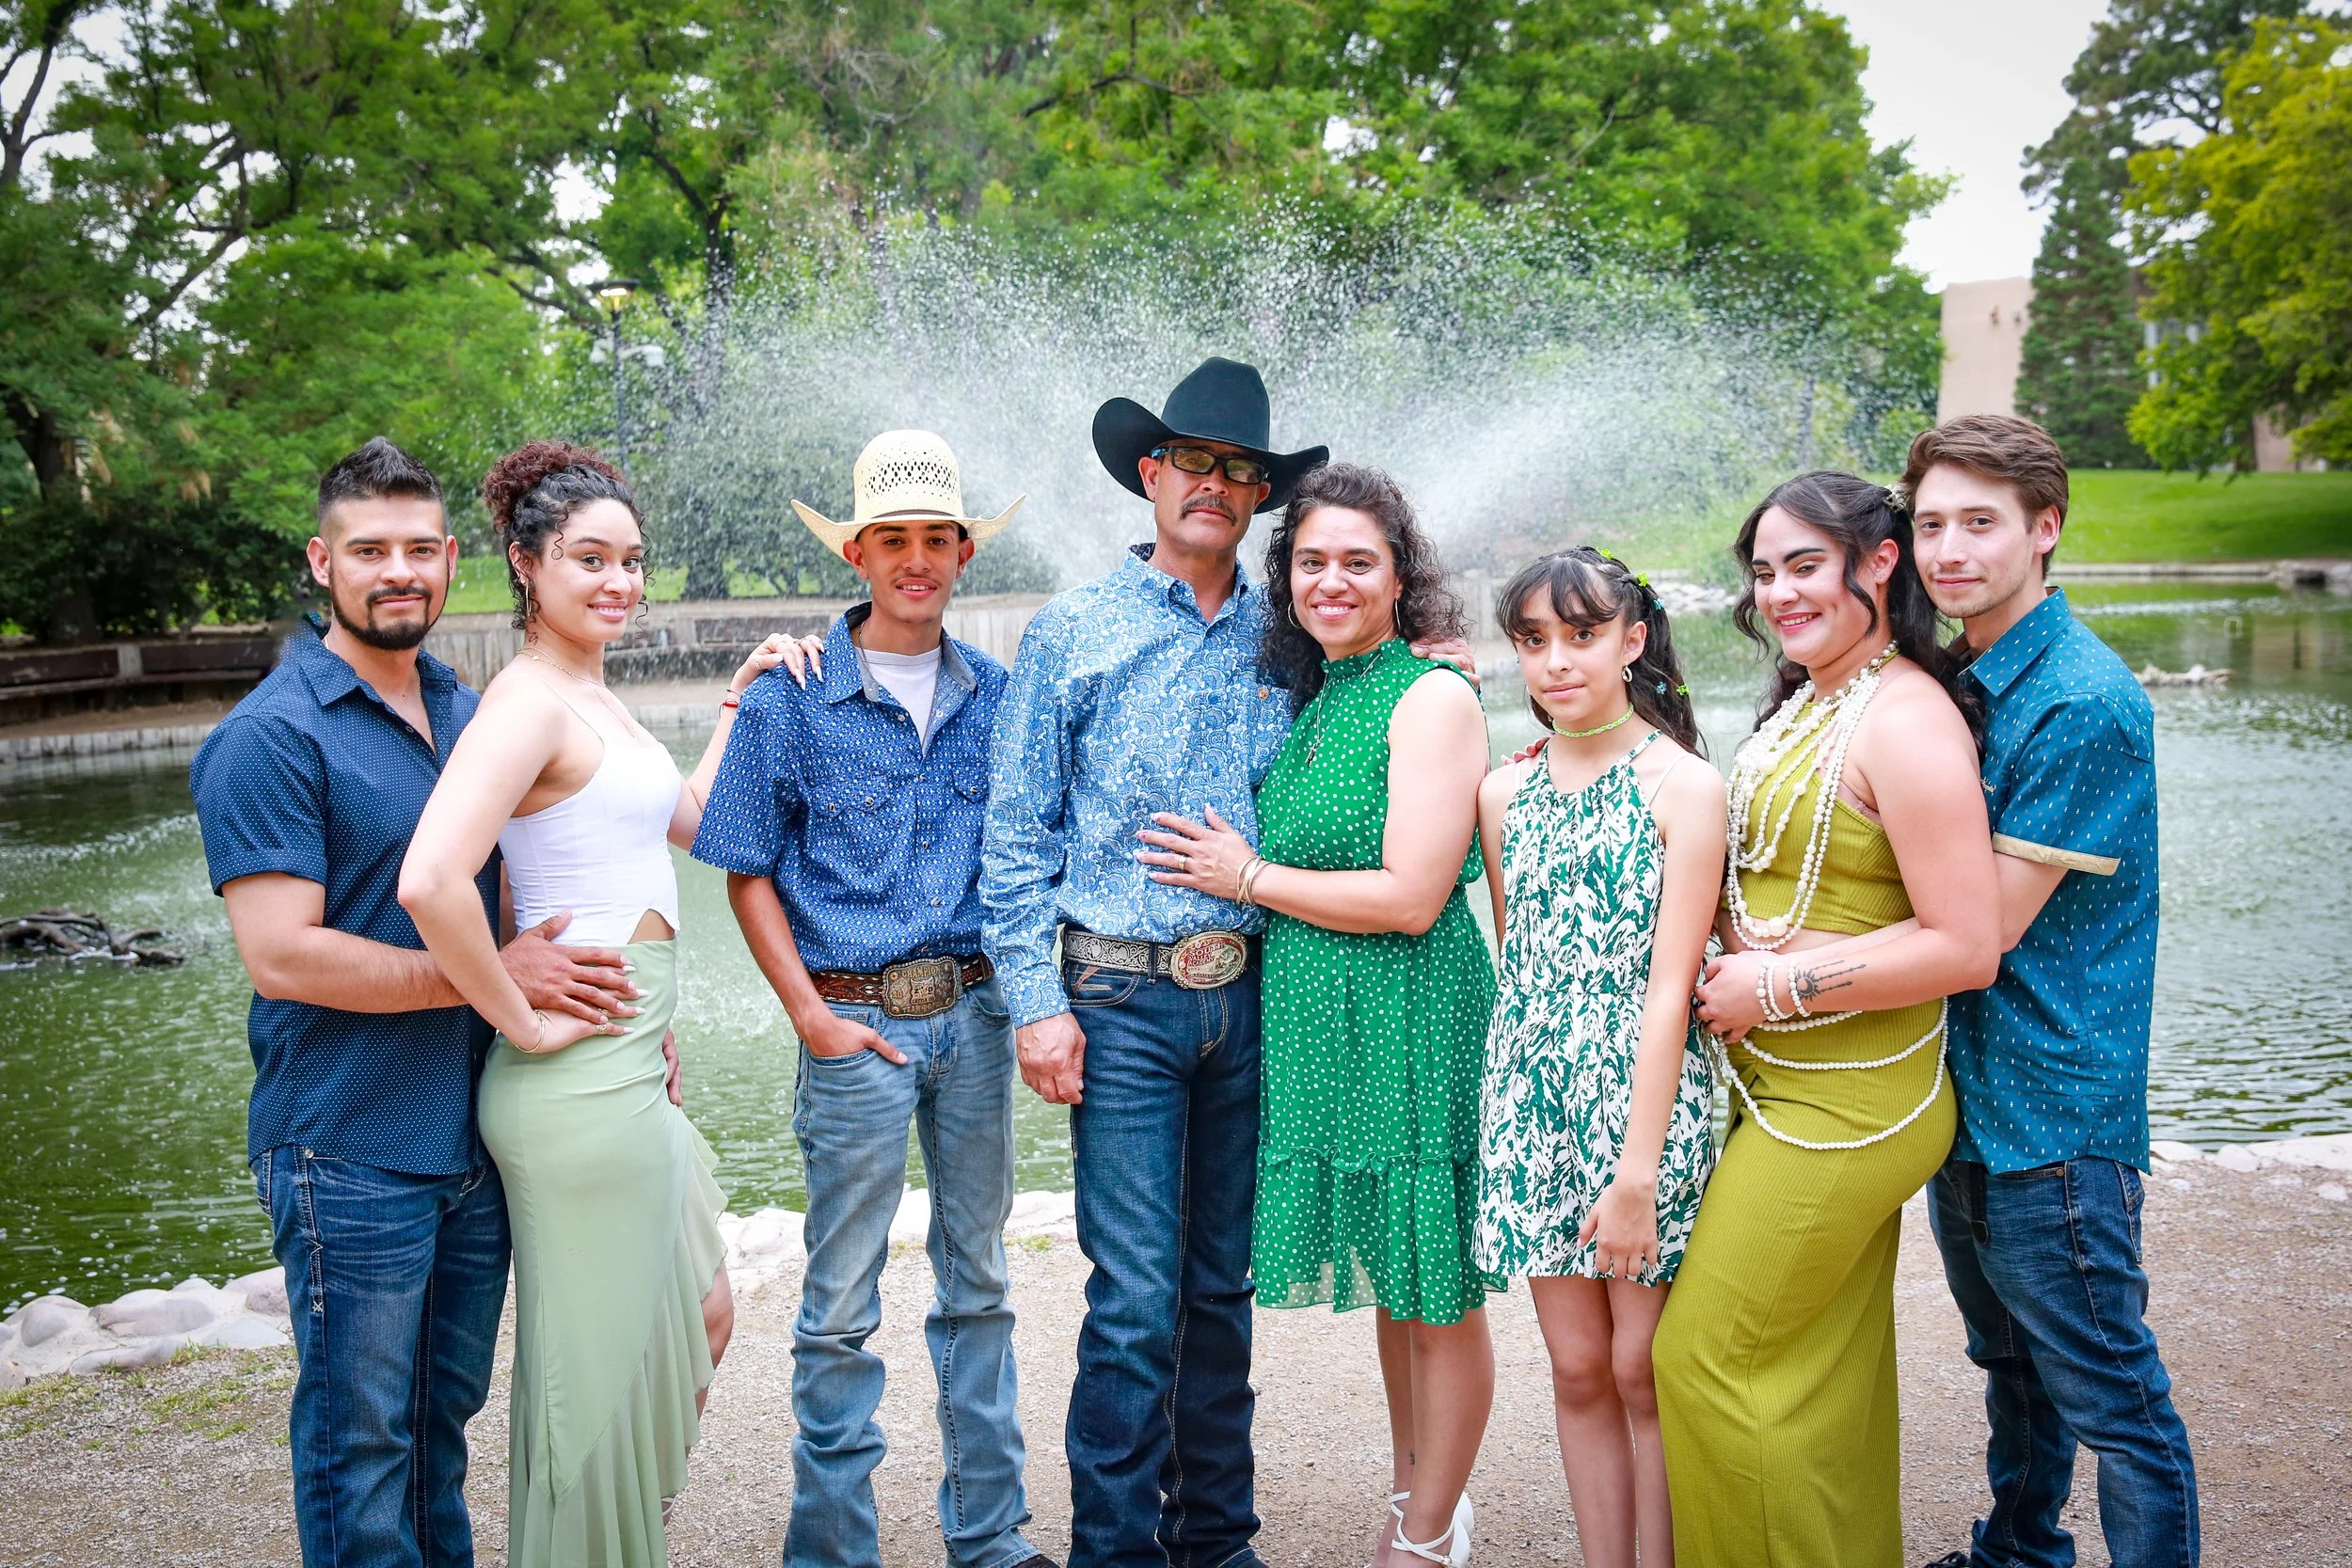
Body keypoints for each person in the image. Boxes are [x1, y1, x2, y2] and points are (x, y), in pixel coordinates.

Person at [981, 358, 1476, 1568]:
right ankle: (1115, 1550)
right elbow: (1015, 838)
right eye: (1192, 461)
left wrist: (1447, 676)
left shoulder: (1292, 636)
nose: (1213, 483)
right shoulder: (1072, 630)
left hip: (1255, 997)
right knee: (1134, 1296)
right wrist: (1037, 1005)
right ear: (1150, 474)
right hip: (1119, 994)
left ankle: (1216, 1540)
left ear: (1260, 496)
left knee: (1218, 1288)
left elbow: (1384, 731)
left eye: (1238, 469)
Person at [193, 437, 645, 1568]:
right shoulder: (271, 735)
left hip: (473, 1135)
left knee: (440, 1431)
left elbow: (545, 885)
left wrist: (617, 1028)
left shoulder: (471, 707)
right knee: (361, 1444)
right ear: (322, 562)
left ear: (450, 558)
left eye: (416, 548)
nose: (396, 570)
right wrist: (493, 978)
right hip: (348, 1141)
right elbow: (282, 956)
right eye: (367, 550)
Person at [398, 440, 785, 1567]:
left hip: (626, 1058)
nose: (620, 581)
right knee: (596, 1372)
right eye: (590, 559)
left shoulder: (592, 696)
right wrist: (516, 1015)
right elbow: (431, 880)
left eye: (632, 560)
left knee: (697, 1316)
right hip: (569, 1080)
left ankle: (614, 1543)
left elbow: (695, 824)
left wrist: (738, 701)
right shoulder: (525, 704)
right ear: (526, 564)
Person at [690, 430, 1056, 1568]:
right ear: (856, 553)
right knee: (841, 1300)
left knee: (979, 1282)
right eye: (892, 539)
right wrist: (808, 1014)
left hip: (978, 1017)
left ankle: (988, 1536)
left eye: (936, 538)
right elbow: (743, 865)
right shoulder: (789, 697)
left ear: (963, 553)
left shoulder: (998, 695)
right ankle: (833, 1548)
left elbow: (1032, 852)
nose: (916, 559)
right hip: (854, 1024)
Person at [1140, 463, 1498, 1568]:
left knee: (1437, 1287)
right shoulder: (1324, 692)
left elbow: (1412, 895)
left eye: (1357, 560)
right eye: (1310, 561)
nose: (1330, 580)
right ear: (1284, 576)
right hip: (1328, 1021)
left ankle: (1429, 1534)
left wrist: (1246, 877)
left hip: (1408, 1009)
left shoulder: (1429, 696)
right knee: (1399, 1279)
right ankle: (1416, 1493)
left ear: (1400, 575)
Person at [1669, 471, 2000, 1566]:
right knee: (1816, 1376)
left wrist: (1773, 987)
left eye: (1805, 565)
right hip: (1781, 1087)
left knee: (1703, 1357)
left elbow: (1966, 943)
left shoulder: (1905, 717)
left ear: (1878, 561)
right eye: (1764, 572)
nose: (1779, 593)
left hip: (1852, 1101)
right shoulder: (1816, 700)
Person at [1901, 416, 2197, 1568]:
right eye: (1931, 523)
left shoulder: (2080, 700)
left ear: (2045, 528)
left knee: (2111, 1391)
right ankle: (2019, 1552)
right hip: (1973, 1098)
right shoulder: (1966, 679)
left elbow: (1980, 926)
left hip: (2052, 1112)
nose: (1948, 550)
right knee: (2012, 1367)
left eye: (1979, 522)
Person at [1471, 546, 1724, 1568]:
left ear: (1632, 639)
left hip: (1642, 1106)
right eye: (1533, 640)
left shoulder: (1685, 784)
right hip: (1531, 1103)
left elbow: (1669, 988)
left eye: (1581, 635)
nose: (1556, 661)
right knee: (1576, 1366)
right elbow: (1522, 962)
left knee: (1639, 1366)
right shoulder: (1502, 791)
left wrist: (1637, 1170)